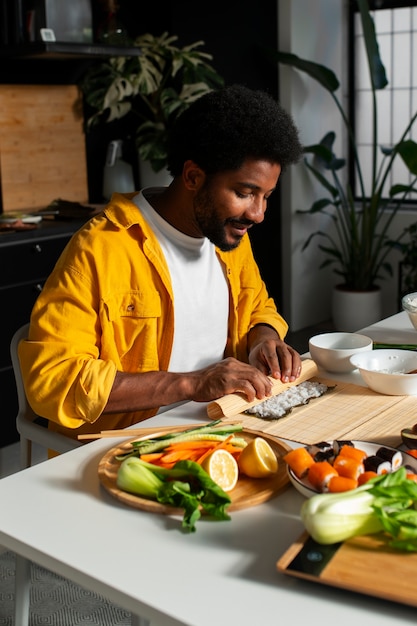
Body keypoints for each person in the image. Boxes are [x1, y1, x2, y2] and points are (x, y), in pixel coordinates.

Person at [18, 84, 304, 441]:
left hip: (224, 427)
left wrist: (264, 339)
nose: (259, 214)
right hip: (125, 449)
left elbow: (256, 305)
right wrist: (190, 383)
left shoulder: (228, 234)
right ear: (193, 177)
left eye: (266, 196)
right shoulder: (100, 248)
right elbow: (52, 379)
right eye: (244, 193)